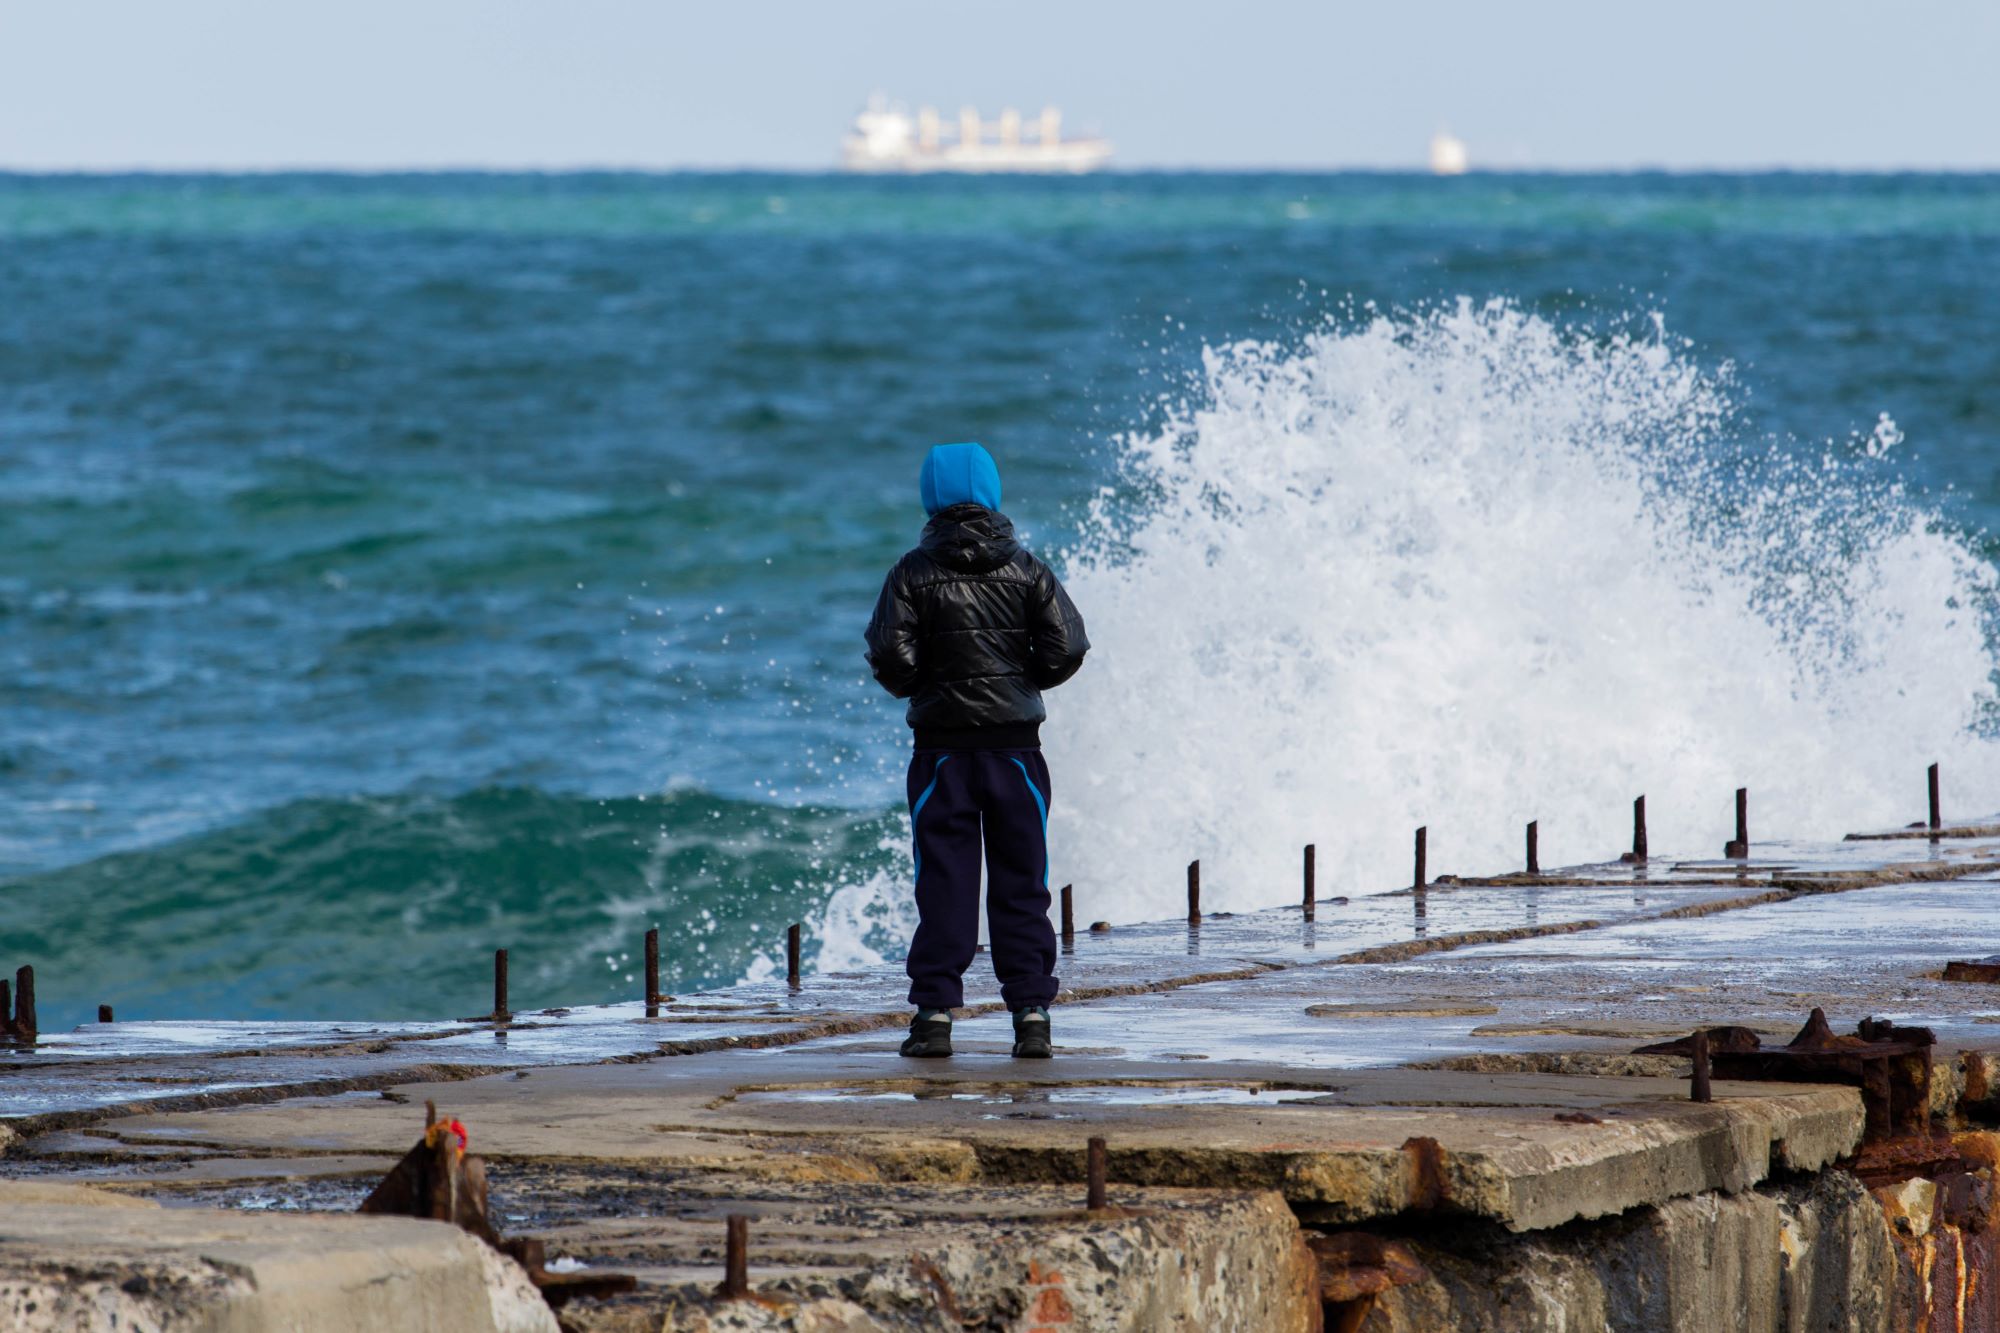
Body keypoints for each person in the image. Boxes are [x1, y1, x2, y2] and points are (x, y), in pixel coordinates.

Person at [865, 442, 1089, 1059]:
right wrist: (1021, 683)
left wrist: (922, 686)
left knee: (945, 884)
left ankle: (935, 1017)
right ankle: (1032, 1017)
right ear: (991, 493)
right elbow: (1068, 645)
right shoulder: (1027, 567)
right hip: (1016, 751)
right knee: (1023, 883)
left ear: (930, 498)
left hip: (941, 755)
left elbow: (890, 655)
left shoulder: (910, 572)